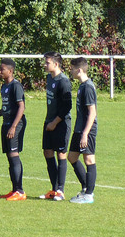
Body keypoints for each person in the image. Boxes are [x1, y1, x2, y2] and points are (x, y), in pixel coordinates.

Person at [0, 58, 28, 200]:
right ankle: (14, 189)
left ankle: (20, 191)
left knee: (14, 154)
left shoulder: (16, 86)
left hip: (15, 124)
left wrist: (14, 126)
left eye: (2, 69)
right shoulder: (4, 86)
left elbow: (21, 107)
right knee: (9, 156)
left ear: (10, 71)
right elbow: (6, 108)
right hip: (6, 122)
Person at [41, 51, 73, 201]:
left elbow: (67, 106)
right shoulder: (49, 78)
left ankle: (60, 190)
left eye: (47, 63)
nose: (45, 65)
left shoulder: (64, 81)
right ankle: (54, 189)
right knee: (47, 152)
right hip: (49, 121)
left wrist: (55, 122)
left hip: (61, 123)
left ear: (56, 64)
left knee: (61, 154)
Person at [67, 57, 98, 204]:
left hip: (87, 129)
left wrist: (85, 133)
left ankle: (89, 194)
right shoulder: (81, 86)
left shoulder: (88, 87)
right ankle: (85, 187)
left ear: (79, 70)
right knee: (72, 157)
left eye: (72, 68)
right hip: (79, 128)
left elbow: (92, 113)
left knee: (89, 159)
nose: (70, 71)